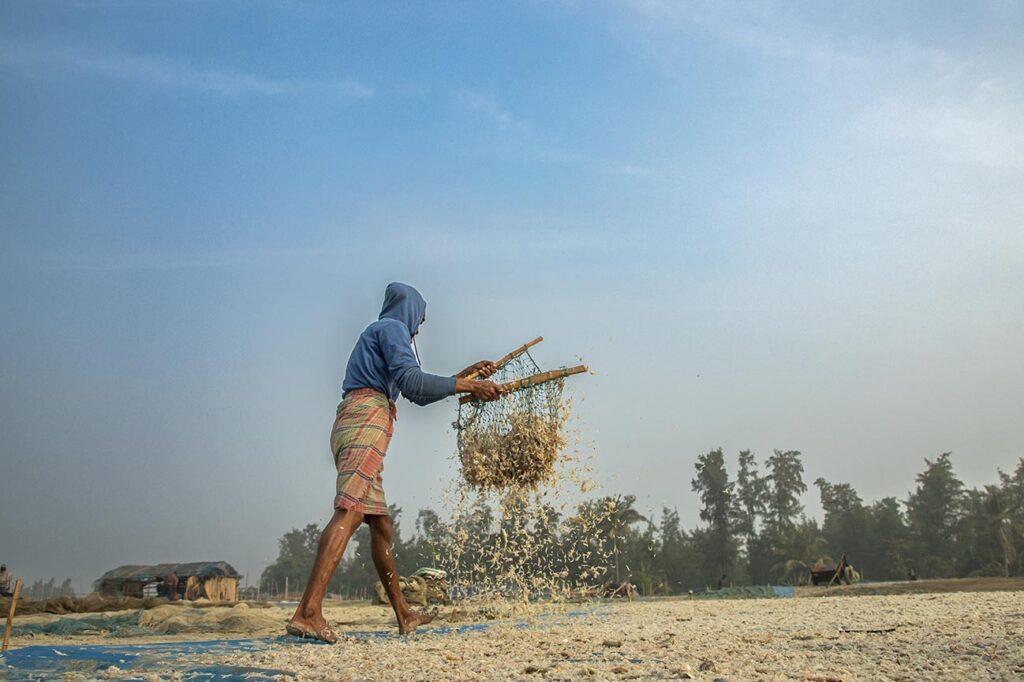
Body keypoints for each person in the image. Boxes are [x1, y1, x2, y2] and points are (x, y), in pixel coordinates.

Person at [287, 283, 501, 642]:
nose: (419, 328)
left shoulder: (385, 333)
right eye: (421, 319)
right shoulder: (392, 329)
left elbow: (415, 391)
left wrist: (465, 378)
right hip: (365, 421)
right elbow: (414, 382)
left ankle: (404, 613)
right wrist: (469, 388)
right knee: (350, 510)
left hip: (364, 420)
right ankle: (308, 613)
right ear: (410, 311)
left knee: (381, 525)